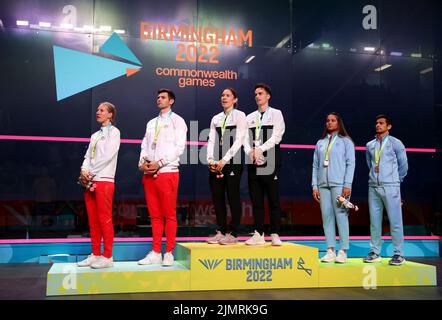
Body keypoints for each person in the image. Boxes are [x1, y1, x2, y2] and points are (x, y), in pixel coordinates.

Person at [137, 89, 187, 267]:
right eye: (157, 97)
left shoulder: (178, 121)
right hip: (149, 173)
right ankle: (156, 251)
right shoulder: (151, 122)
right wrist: (142, 163)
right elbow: (145, 145)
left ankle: (169, 252)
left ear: (171, 101)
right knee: (155, 216)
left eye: (163, 97)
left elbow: (179, 148)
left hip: (168, 172)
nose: (159, 99)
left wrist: (160, 162)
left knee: (169, 214)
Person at [77, 102, 120, 269]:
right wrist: (84, 170)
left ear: (110, 114)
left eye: (102, 110)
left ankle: (108, 256)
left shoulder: (115, 133)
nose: (98, 112)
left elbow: (108, 156)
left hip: (105, 180)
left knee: (105, 219)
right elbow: (88, 156)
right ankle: (95, 254)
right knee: (93, 221)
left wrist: (91, 172)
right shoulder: (95, 135)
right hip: (90, 180)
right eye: (97, 110)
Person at [243, 83, 285, 246]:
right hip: (254, 160)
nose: (257, 96)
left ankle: (274, 233)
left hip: (271, 160)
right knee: (256, 200)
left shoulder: (276, 114)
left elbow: (277, 136)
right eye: (255, 94)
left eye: (260, 93)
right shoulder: (249, 117)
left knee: (273, 199)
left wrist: (260, 149)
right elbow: (244, 139)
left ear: (268, 96)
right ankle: (258, 234)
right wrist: (250, 152)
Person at [363, 115, 408, 266]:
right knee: (374, 222)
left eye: (381, 123)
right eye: (376, 123)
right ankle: (375, 252)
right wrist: (375, 177)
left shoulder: (396, 143)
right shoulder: (370, 145)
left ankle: (399, 254)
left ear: (389, 126)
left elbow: (404, 166)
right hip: (373, 186)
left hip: (391, 186)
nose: (378, 125)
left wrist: (396, 180)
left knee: (395, 221)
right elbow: (370, 164)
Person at [312, 112, 355, 263]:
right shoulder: (320, 143)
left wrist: (347, 184)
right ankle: (330, 250)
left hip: (339, 185)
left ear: (338, 123)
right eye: (327, 121)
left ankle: (343, 251)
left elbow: (351, 164)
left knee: (341, 217)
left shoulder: (346, 142)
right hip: (323, 185)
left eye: (333, 120)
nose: (329, 123)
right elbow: (315, 165)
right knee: (327, 218)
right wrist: (314, 185)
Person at [206, 88, 247, 245]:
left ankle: (233, 233)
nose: (224, 97)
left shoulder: (240, 116)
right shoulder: (216, 118)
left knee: (233, 196)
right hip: (216, 163)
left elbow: (239, 140)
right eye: (222, 95)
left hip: (232, 162)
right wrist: (211, 159)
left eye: (228, 95)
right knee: (217, 197)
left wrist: (224, 160)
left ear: (235, 100)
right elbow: (211, 141)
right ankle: (221, 230)